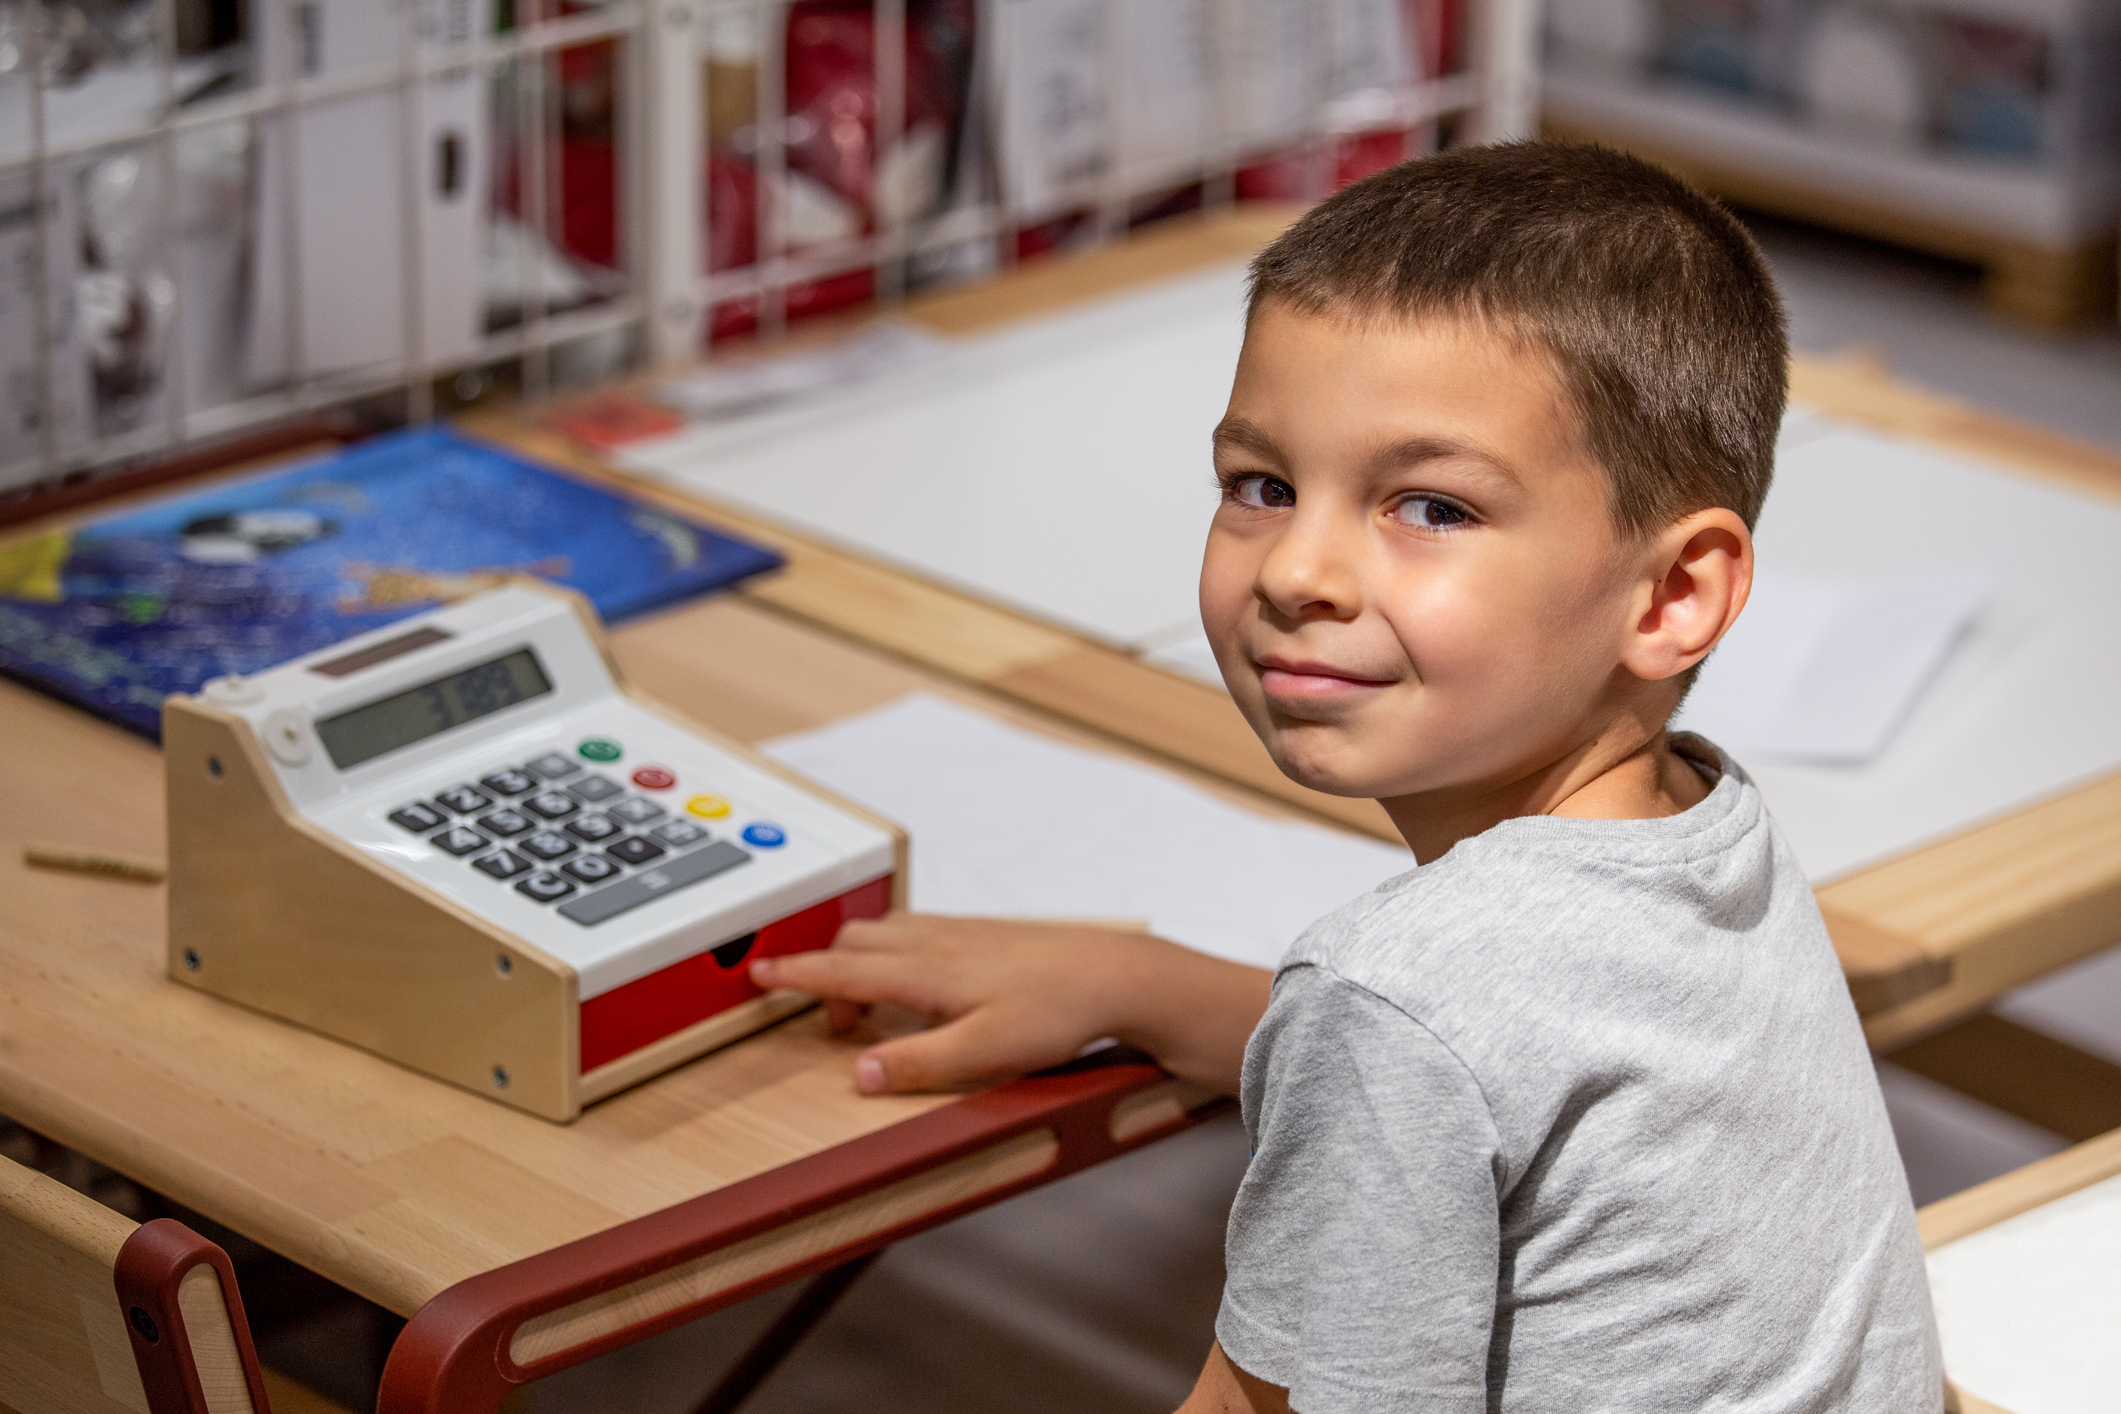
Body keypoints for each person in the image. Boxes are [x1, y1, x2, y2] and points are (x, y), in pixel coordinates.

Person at [750, 141, 1941, 1412]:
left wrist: (1332, 1018)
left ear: (1673, 594)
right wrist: (1140, 983)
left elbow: (1420, 1050)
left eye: (1430, 507)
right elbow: (1503, 1057)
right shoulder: (1712, 824)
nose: (1293, 572)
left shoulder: (1394, 999)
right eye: (1261, 486)